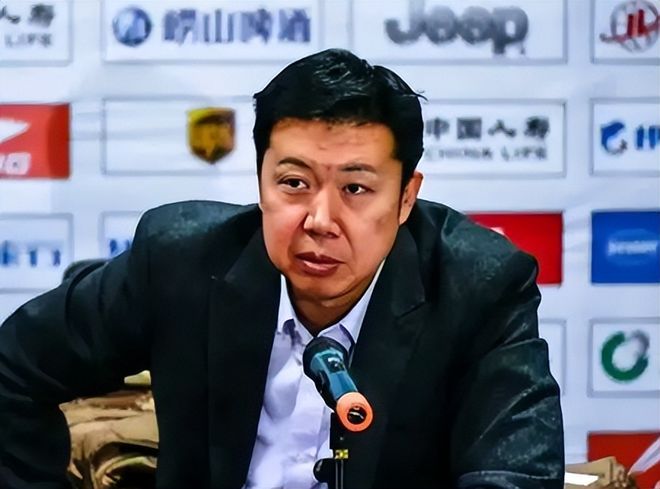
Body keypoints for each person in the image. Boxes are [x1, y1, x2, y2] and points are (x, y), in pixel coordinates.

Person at [0, 49, 564, 489]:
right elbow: (13, 368)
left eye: (356, 189)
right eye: (293, 183)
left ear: (405, 197)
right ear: (260, 179)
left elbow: (515, 474)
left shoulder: (478, 286)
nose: (320, 220)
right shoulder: (181, 261)